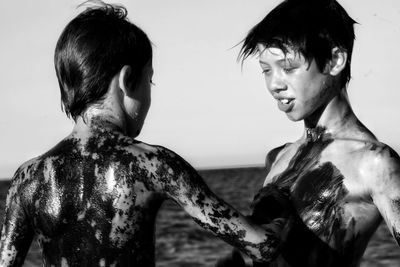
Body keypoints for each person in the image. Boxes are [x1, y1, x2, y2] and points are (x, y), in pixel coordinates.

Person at [0, 3, 293, 267]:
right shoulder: (150, 164)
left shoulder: (28, 178)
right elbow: (262, 245)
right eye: (149, 79)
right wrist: (279, 201)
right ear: (127, 80)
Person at [217, 0, 400, 266]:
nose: (274, 84)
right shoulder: (280, 157)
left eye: (288, 68)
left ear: (336, 60)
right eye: (266, 70)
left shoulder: (373, 162)